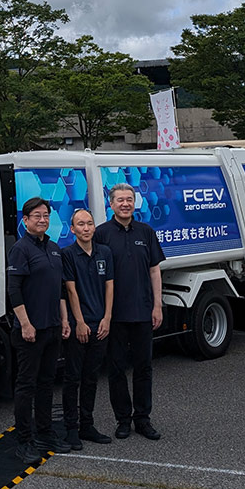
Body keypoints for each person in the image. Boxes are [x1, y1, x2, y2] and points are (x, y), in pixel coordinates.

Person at [93, 183, 165, 441]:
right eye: (120, 200)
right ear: (111, 204)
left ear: (135, 203)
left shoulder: (146, 232)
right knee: (116, 370)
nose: (125, 204)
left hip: (143, 311)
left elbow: (154, 270)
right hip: (114, 315)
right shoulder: (101, 234)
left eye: (129, 199)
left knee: (144, 368)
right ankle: (122, 420)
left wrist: (157, 305)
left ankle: (143, 419)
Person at [8, 197, 72, 465]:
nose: (43, 220)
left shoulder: (54, 249)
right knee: (26, 385)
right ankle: (24, 441)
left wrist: (64, 320)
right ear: (25, 220)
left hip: (52, 327)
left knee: (47, 383)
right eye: (37, 216)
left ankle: (45, 433)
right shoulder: (20, 249)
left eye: (46, 215)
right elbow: (14, 290)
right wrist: (25, 323)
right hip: (30, 331)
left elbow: (60, 289)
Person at [61, 208, 114, 450]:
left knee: (91, 378)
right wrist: (79, 322)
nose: (86, 228)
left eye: (90, 223)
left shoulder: (105, 252)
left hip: (100, 325)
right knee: (73, 378)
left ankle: (87, 425)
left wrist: (107, 318)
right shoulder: (68, 255)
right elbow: (71, 290)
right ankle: (71, 429)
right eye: (81, 224)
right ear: (72, 229)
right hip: (79, 327)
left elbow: (110, 286)